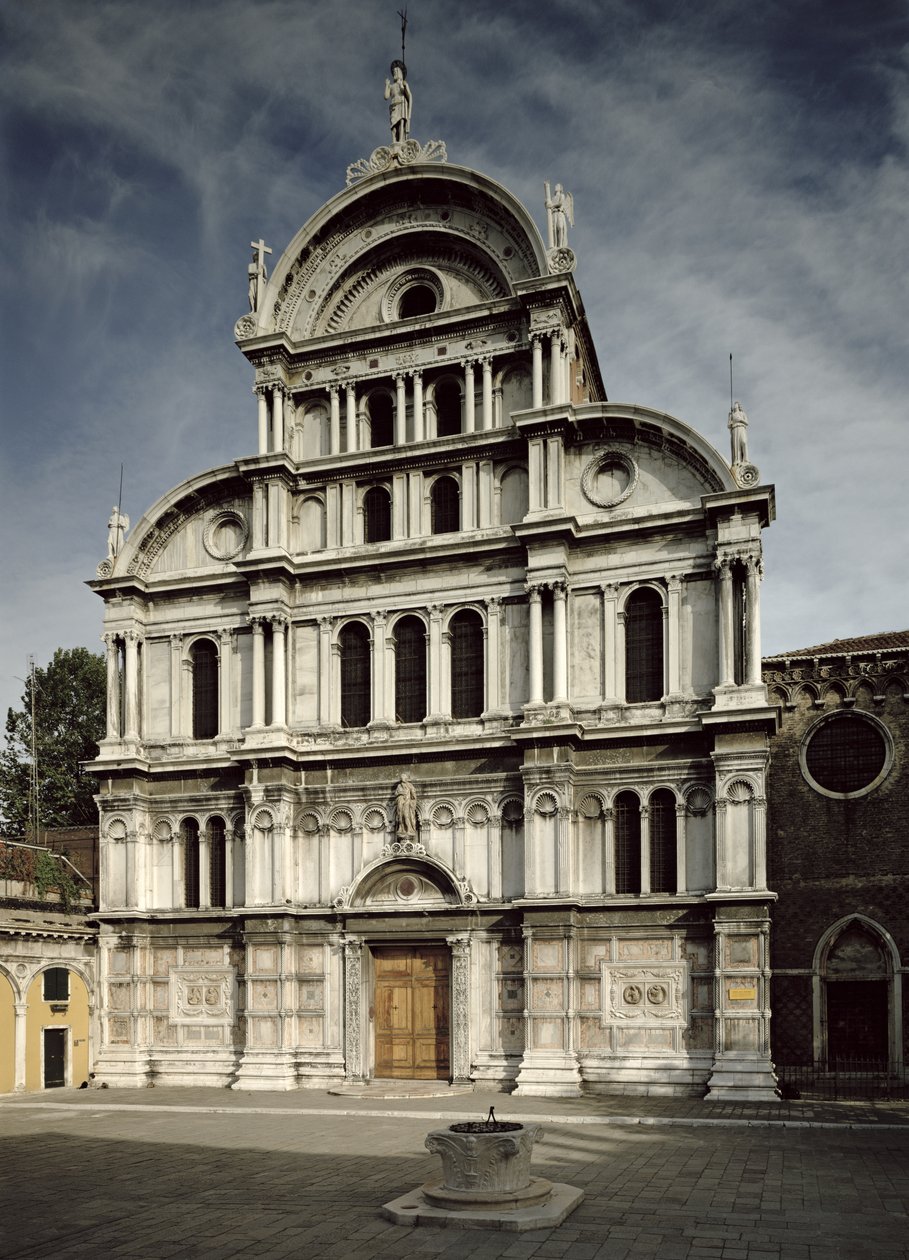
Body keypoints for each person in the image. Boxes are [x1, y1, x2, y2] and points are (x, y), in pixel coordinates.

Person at [384, 60, 412, 144]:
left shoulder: (403, 84)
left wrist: (402, 86)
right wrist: (387, 85)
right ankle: (394, 141)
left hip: (401, 104)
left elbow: (408, 94)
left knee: (401, 123)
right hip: (394, 106)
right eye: (394, 72)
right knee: (393, 125)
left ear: (400, 73)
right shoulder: (391, 86)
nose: (395, 73)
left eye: (396, 71)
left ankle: (400, 140)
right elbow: (386, 97)